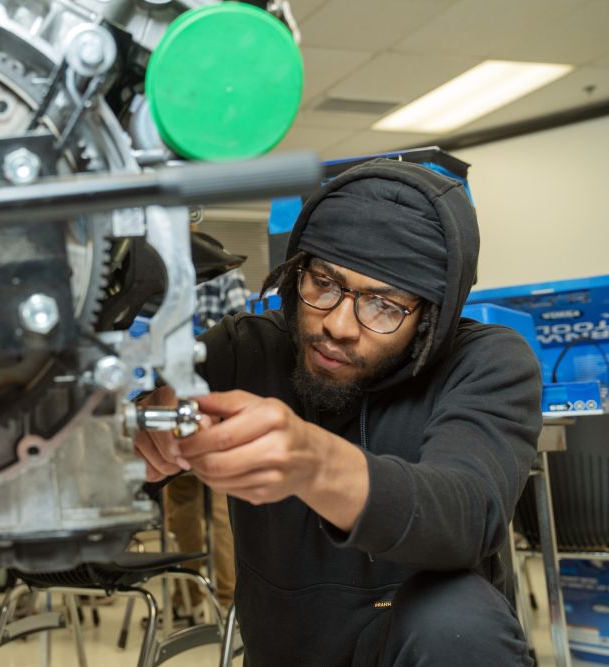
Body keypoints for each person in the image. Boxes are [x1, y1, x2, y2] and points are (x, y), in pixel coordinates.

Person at [136, 159, 542, 666]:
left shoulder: (486, 363)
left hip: (431, 652)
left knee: (455, 618)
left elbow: (466, 513)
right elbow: (100, 479)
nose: (340, 325)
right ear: (294, 273)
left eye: (384, 306)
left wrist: (315, 463)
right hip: (288, 651)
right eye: (324, 283)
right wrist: (135, 444)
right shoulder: (245, 351)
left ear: (430, 318)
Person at [165, 264, 250, 613]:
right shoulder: (222, 275)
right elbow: (243, 328)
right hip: (183, 399)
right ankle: (201, 600)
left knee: (216, 509)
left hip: (202, 399)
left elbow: (243, 328)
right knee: (193, 510)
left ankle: (215, 603)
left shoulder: (215, 272)